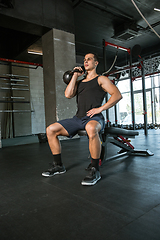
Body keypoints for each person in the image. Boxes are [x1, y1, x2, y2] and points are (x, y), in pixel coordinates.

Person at [42, 53, 122, 185]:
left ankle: (95, 169)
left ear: (96, 63)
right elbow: (68, 94)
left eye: (89, 59)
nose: (86, 61)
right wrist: (75, 75)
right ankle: (58, 165)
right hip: (78, 118)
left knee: (91, 128)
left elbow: (117, 95)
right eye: (84, 60)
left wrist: (100, 109)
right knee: (51, 129)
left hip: (94, 117)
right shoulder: (79, 82)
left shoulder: (101, 79)